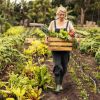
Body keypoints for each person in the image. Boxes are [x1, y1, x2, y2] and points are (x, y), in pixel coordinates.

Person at [45, 6, 75, 92]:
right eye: (60, 14)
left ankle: (60, 83)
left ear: (65, 14)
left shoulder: (68, 23)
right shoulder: (52, 23)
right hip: (55, 48)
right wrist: (46, 39)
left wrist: (72, 33)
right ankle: (57, 85)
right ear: (57, 14)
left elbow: (73, 31)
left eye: (63, 14)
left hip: (66, 49)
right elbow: (47, 33)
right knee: (58, 65)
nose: (61, 16)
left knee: (64, 67)